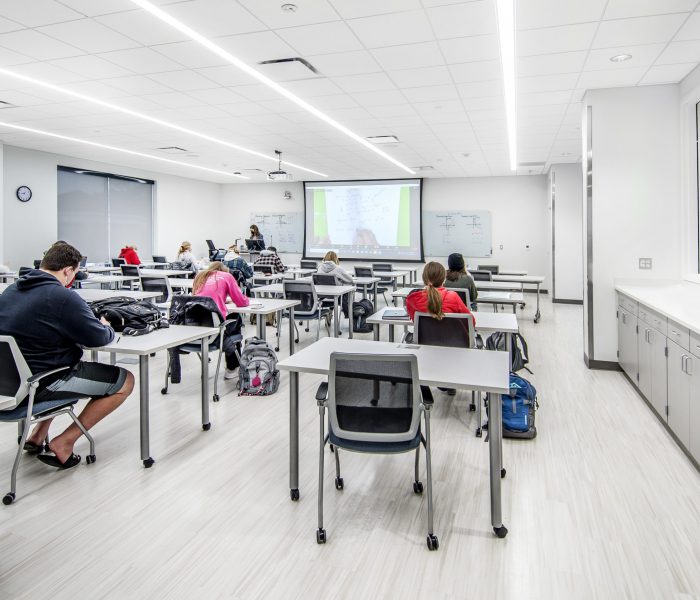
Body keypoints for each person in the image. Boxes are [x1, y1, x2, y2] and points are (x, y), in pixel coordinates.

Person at [0, 242, 134, 468]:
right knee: (125, 381)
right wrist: (106, 325)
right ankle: (65, 442)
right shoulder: (62, 297)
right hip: (41, 384)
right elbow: (98, 339)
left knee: (65, 363)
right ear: (68, 270)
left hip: (7, 387)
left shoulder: (10, 291)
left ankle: (37, 436)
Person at [168, 262, 249, 382]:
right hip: (214, 333)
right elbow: (241, 302)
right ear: (224, 270)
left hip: (191, 332)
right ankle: (232, 369)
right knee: (236, 318)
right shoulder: (227, 276)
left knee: (229, 321)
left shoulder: (200, 276)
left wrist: (220, 299)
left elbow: (199, 300)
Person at [405, 261, 475, 396]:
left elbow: (415, 320)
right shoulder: (452, 297)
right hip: (454, 348)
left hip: (425, 347)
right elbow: (471, 322)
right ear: (444, 278)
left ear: (424, 278)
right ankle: (448, 380)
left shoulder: (412, 299)